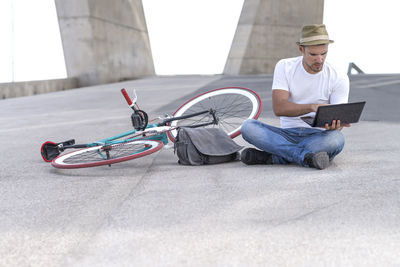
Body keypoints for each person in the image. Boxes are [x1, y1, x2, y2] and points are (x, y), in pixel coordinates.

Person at [240, 24, 350, 170]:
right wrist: (312, 107)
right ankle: (305, 157)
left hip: (317, 137)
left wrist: (336, 125)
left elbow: (339, 118)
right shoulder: (285, 66)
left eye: (324, 53)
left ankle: (276, 156)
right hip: (286, 134)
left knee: (337, 139)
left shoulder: (339, 77)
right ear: (301, 50)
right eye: (313, 54)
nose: (320, 59)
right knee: (248, 127)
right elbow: (279, 108)